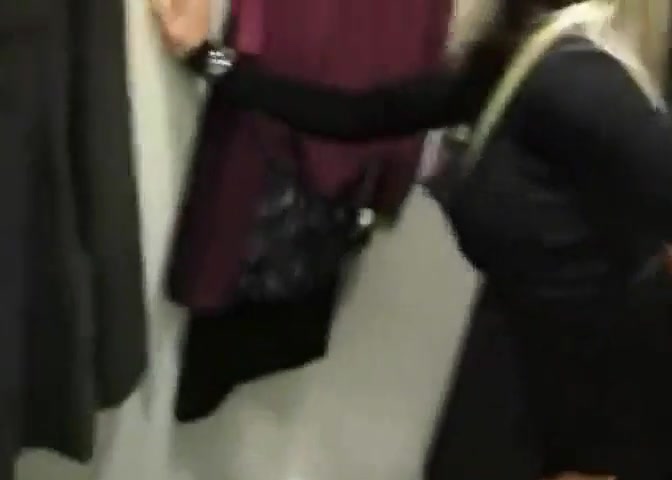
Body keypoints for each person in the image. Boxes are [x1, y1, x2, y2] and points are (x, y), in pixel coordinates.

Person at [153, 0, 672, 478]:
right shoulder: (520, 66)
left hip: (620, 407)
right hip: (554, 392)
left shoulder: (581, 84)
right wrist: (209, 57)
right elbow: (355, 116)